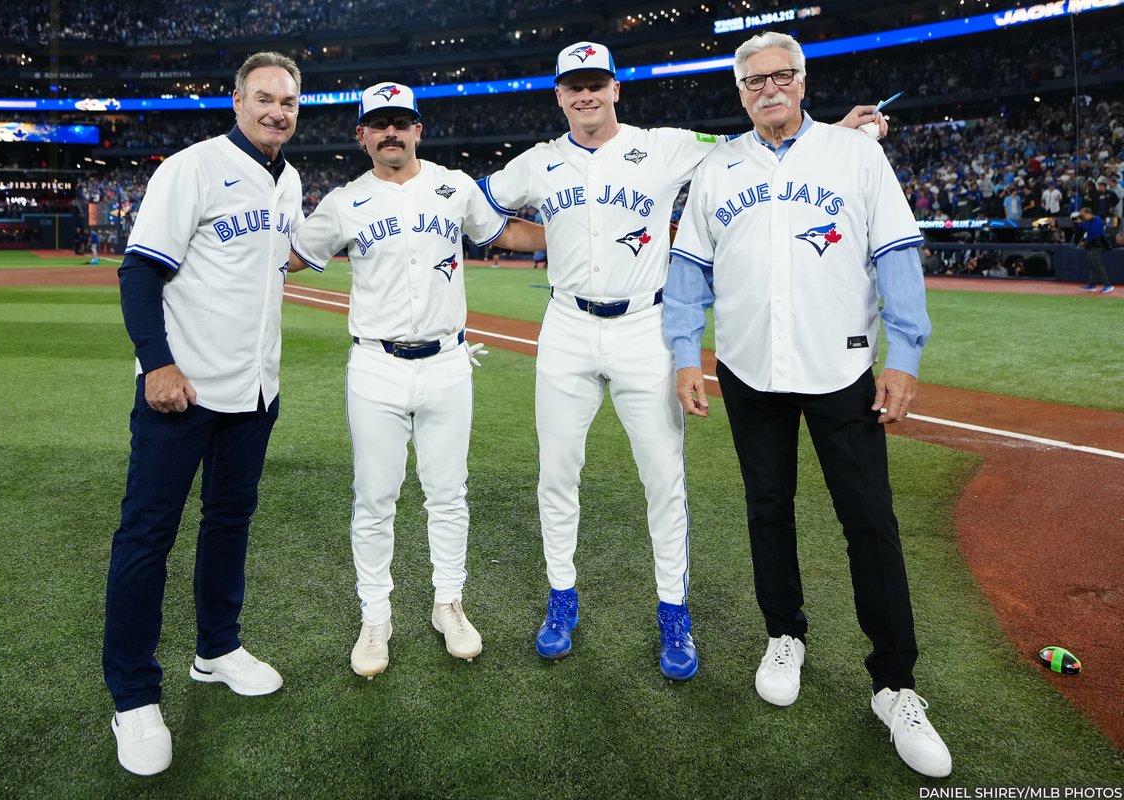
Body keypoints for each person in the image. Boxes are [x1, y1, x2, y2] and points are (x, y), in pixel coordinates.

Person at [479, 41, 888, 681]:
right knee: (557, 473)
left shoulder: (667, 144)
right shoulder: (537, 163)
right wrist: (536, 235)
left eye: (596, 83)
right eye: (572, 85)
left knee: (663, 479)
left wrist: (836, 130)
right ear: (559, 95)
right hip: (565, 325)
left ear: (616, 88)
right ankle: (562, 600)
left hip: (643, 323)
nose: (585, 95)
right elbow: (485, 215)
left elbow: (745, 144)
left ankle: (675, 611)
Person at [663, 31, 951, 777]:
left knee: (870, 522)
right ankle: (783, 633)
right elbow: (689, 272)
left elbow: (896, 254)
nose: (768, 88)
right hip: (750, 369)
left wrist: (906, 357)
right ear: (739, 91)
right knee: (768, 505)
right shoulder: (719, 167)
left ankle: (895, 684)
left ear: (802, 81)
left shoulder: (856, 154)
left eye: (781, 75)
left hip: (843, 368)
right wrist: (683, 356)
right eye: (753, 79)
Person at [287, 83, 544, 679]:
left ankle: (447, 602)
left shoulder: (453, 186)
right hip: (375, 365)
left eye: (401, 121)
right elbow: (294, 255)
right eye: (379, 123)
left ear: (418, 129)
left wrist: (578, 238)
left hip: (448, 363)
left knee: (447, 494)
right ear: (362, 135)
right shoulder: (346, 200)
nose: (391, 132)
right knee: (374, 500)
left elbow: (503, 233)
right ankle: (375, 615)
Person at [103, 51, 303, 776]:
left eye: (287, 101)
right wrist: (156, 362)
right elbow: (139, 270)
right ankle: (131, 694)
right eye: (264, 98)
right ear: (236, 100)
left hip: (253, 394)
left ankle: (216, 649)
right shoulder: (192, 167)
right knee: (147, 536)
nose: (276, 110)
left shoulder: (291, 180)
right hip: (179, 392)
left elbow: (270, 265)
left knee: (229, 523)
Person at [1075, 207, 1114, 293]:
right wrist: (1079, 224)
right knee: (1092, 265)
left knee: (1098, 264)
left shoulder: (1097, 219)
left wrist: (1082, 223)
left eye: (1084, 215)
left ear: (1089, 213)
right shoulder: (1089, 221)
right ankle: (1091, 285)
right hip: (1091, 245)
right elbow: (1081, 230)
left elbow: (1092, 231)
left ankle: (1108, 285)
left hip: (1098, 244)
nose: (1083, 217)